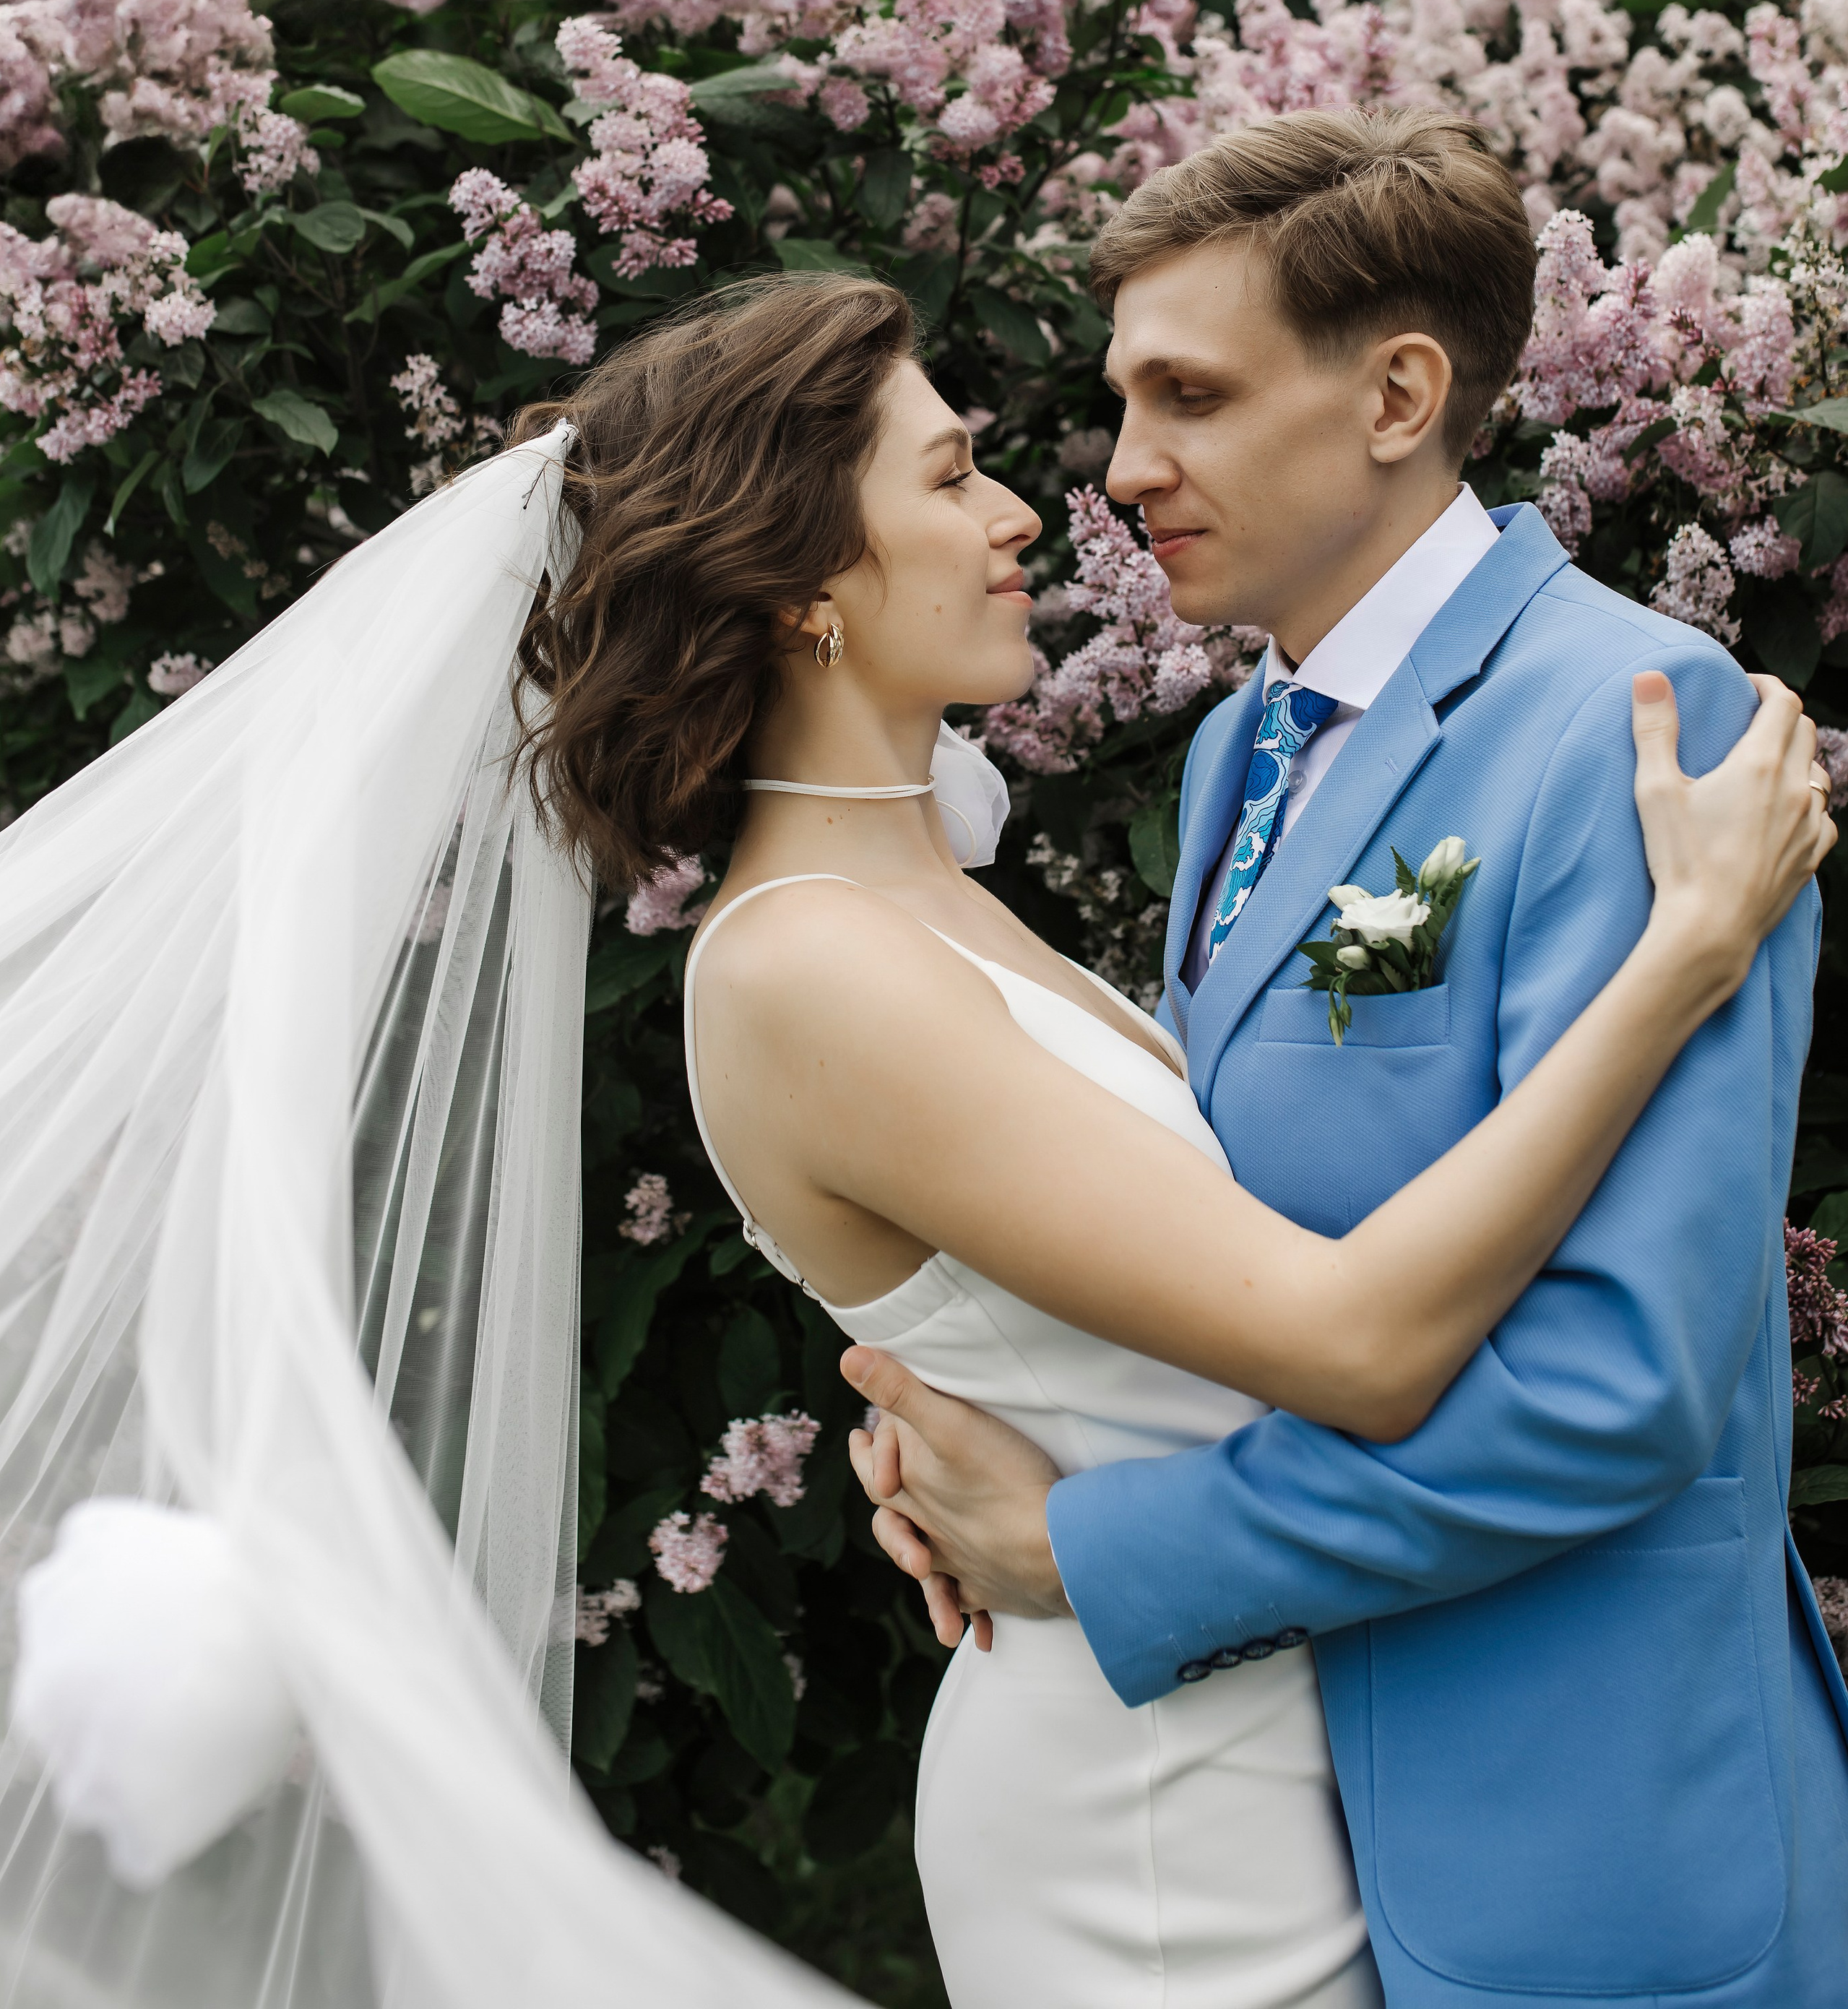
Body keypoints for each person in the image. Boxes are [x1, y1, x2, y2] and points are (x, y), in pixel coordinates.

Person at [504, 258, 1832, 2008]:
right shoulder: (812, 960)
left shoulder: (980, 871)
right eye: (948, 473)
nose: (1047, 502)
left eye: (1179, 400)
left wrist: (1056, 1484)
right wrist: (1679, 961)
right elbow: (1344, 1340)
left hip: (1312, 1757)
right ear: (800, 583)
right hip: (1147, 1833)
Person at [840, 110, 1848, 2009]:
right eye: (1126, 401)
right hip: (1281, 1830)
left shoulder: (1638, 720)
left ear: (1399, 392)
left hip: (1573, 1838)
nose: (1127, 469)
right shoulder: (1244, 750)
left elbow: (1623, 1387)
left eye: (1191, 398)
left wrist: (1098, 1543)